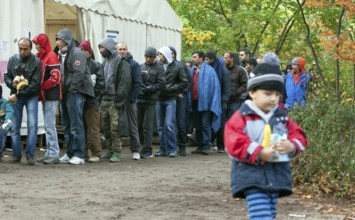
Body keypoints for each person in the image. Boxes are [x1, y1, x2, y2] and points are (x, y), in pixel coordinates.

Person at [224, 56, 308, 220]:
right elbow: (232, 141)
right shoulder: (243, 116)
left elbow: (299, 134)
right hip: (251, 175)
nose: (273, 98)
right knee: (261, 215)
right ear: (252, 93)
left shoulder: (281, 117)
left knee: (269, 213)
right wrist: (258, 151)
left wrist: (292, 146)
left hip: (276, 174)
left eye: (277, 94)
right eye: (268, 93)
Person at [56, 29, 95, 165]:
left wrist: (72, 89)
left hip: (75, 92)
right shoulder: (60, 54)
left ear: (66, 40)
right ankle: (70, 152)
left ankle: (79, 154)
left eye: (59, 39)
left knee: (76, 123)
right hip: (65, 92)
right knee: (66, 124)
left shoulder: (77, 53)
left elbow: (78, 73)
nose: (57, 42)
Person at [4, 37, 41, 165]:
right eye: (20, 49)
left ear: (31, 49)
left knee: (33, 125)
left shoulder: (36, 62)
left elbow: (35, 86)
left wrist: (17, 95)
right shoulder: (12, 59)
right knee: (14, 127)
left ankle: (30, 155)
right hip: (16, 94)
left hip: (30, 96)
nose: (22, 51)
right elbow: (6, 76)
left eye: (25, 49)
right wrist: (12, 84)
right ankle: (16, 155)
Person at [99, 38, 131, 162]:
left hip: (114, 100)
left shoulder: (122, 63)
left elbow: (124, 83)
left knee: (115, 128)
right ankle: (110, 149)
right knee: (105, 127)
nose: (101, 51)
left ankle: (117, 151)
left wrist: (118, 100)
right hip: (105, 99)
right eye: (100, 48)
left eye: (103, 48)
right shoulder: (105, 62)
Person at [31, 33, 62, 165]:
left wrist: (42, 86)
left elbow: (56, 77)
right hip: (47, 94)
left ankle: (54, 153)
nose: (36, 46)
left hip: (51, 95)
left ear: (42, 44)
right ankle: (50, 152)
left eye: (37, 44)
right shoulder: (43, 56)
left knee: (50, 125)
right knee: (48, 124)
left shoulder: (51, 57)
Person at [155, 46, 188, 158]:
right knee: (160, 126)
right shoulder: (157, 65)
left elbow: (184, 82)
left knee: (169, 124)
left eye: (160, 54)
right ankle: (163, 149)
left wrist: (171, 88)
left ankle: (172, 148)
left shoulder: (178, 66)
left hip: (170, 99)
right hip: (159, 98)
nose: (158, 56)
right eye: (158, 54)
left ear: (165, 55)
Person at [190, 51, 221, 155]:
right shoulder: (191, 70)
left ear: (201, 58)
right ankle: (199, 145)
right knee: (197, 125)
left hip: (206, 103)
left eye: (195, 57)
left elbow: (214, 87)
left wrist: (212, 102)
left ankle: (206, 145)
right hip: (194, 101)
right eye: (192, 57)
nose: (193, 59)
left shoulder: (210, 71)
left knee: (205, 124)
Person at [79, 40, 105, 163]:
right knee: (81, 129)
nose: (83, 52)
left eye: (85, 50)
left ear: (90, 52)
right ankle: (83, 153)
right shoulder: (76, 64)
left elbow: (101, 83)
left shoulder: (96, 65)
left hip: (92, 103)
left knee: (94, 129)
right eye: (81, 50)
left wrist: (94, 97)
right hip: (79, 102)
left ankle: (97, 153)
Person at [116, 42, 143, 160]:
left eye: (124, 49)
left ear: (127, 50)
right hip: (117, 98)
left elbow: (138, 83)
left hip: (129, 99)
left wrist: (132, 98)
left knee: (132, 125)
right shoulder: (115, 63)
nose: (122, 51)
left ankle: (136, 149)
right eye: (120, 49)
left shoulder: (134, 64)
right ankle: (115, 150)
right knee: (115, 125)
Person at [138, 47, 165, 158]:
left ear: (154, 57)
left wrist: (148, 88)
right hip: (140, 99)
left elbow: (161, 84)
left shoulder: (159, 68)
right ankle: (141, 147)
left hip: (151, 100)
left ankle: (147, 149)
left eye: (151, 57)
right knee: (139, 126)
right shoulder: (141, 66)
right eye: (147, 56)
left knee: (147, 127)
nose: (149, 59)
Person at [168, 45, 192, 156]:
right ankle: (171, 146)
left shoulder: (181, 65)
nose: (171, 55)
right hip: (167, 97)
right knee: (168, 124)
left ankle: (182, 147)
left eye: (173, 53)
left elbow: (189, 81)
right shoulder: (162, 66)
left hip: (179, 97)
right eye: (169, 53)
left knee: (181, 123)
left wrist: (183, 92)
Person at [205, 51, 231, 153]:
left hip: (220, 100)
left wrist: (224, 100)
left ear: (212, 59)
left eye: (207, 59)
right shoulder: (206, 69)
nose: (205, 62)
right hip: (208, 100)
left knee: (220, 123)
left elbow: (227, 87)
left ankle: (221, 145)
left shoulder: (222, 70)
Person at [223, 51, 248, 119]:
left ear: (232, 59)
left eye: (226, 58)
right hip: (223, 101)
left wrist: (236, 92)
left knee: (233, 121)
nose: (224, 60)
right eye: (224, 58)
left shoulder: (240, 70)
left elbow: (245, 84)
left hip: (235, 101)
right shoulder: (222, 70)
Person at [0, 85, 14, 161]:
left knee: (1, 137)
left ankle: (0, 152)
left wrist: (7, 118)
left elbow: (10, 111)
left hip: (2, 124)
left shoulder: (5, 102)